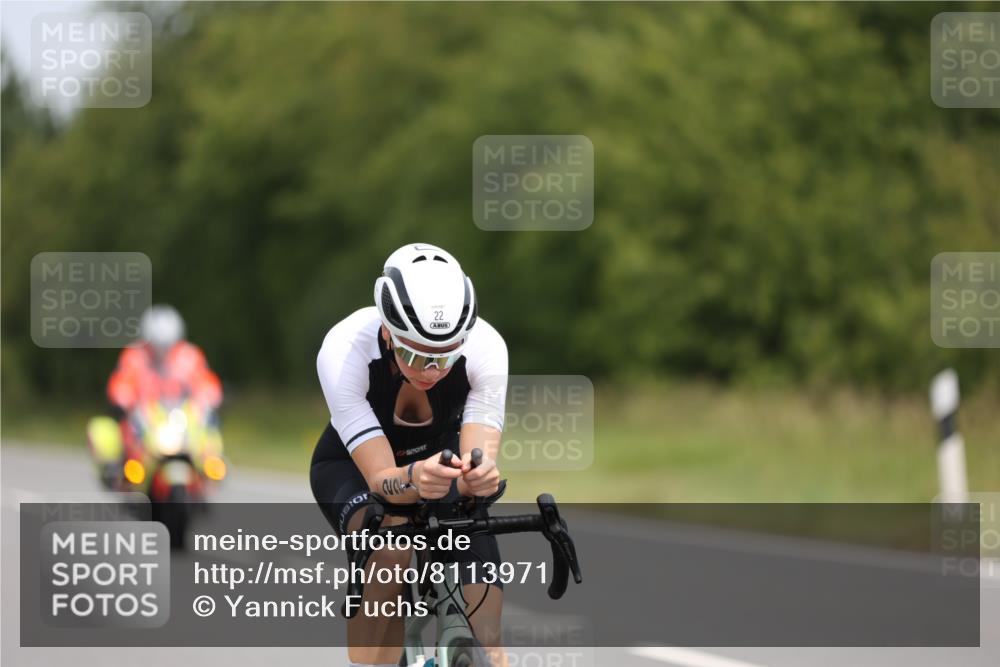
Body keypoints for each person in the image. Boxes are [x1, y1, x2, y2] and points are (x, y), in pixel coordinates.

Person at [310, 243, 508, 667]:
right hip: (353, 468)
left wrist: (480, 477)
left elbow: (478, 457)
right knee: (392, 548)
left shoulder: (487, 347)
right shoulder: (344, 351)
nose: (432, 371)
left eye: (446, 356)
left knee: (488, 630)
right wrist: (414, 477)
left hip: (440, 463)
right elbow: (383, 479)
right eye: (416, 354)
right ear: (387, 332)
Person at [90, 305, 223, 488]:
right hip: (147, 419)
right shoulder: (135, 356)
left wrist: (210, 397)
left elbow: (206, 382)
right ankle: (124, 474)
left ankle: (207, 473)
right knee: (120, 436)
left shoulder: (189, 356)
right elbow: (121, 383)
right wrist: (122, 399)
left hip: (180, 418)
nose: (162, 350)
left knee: (208, 434)